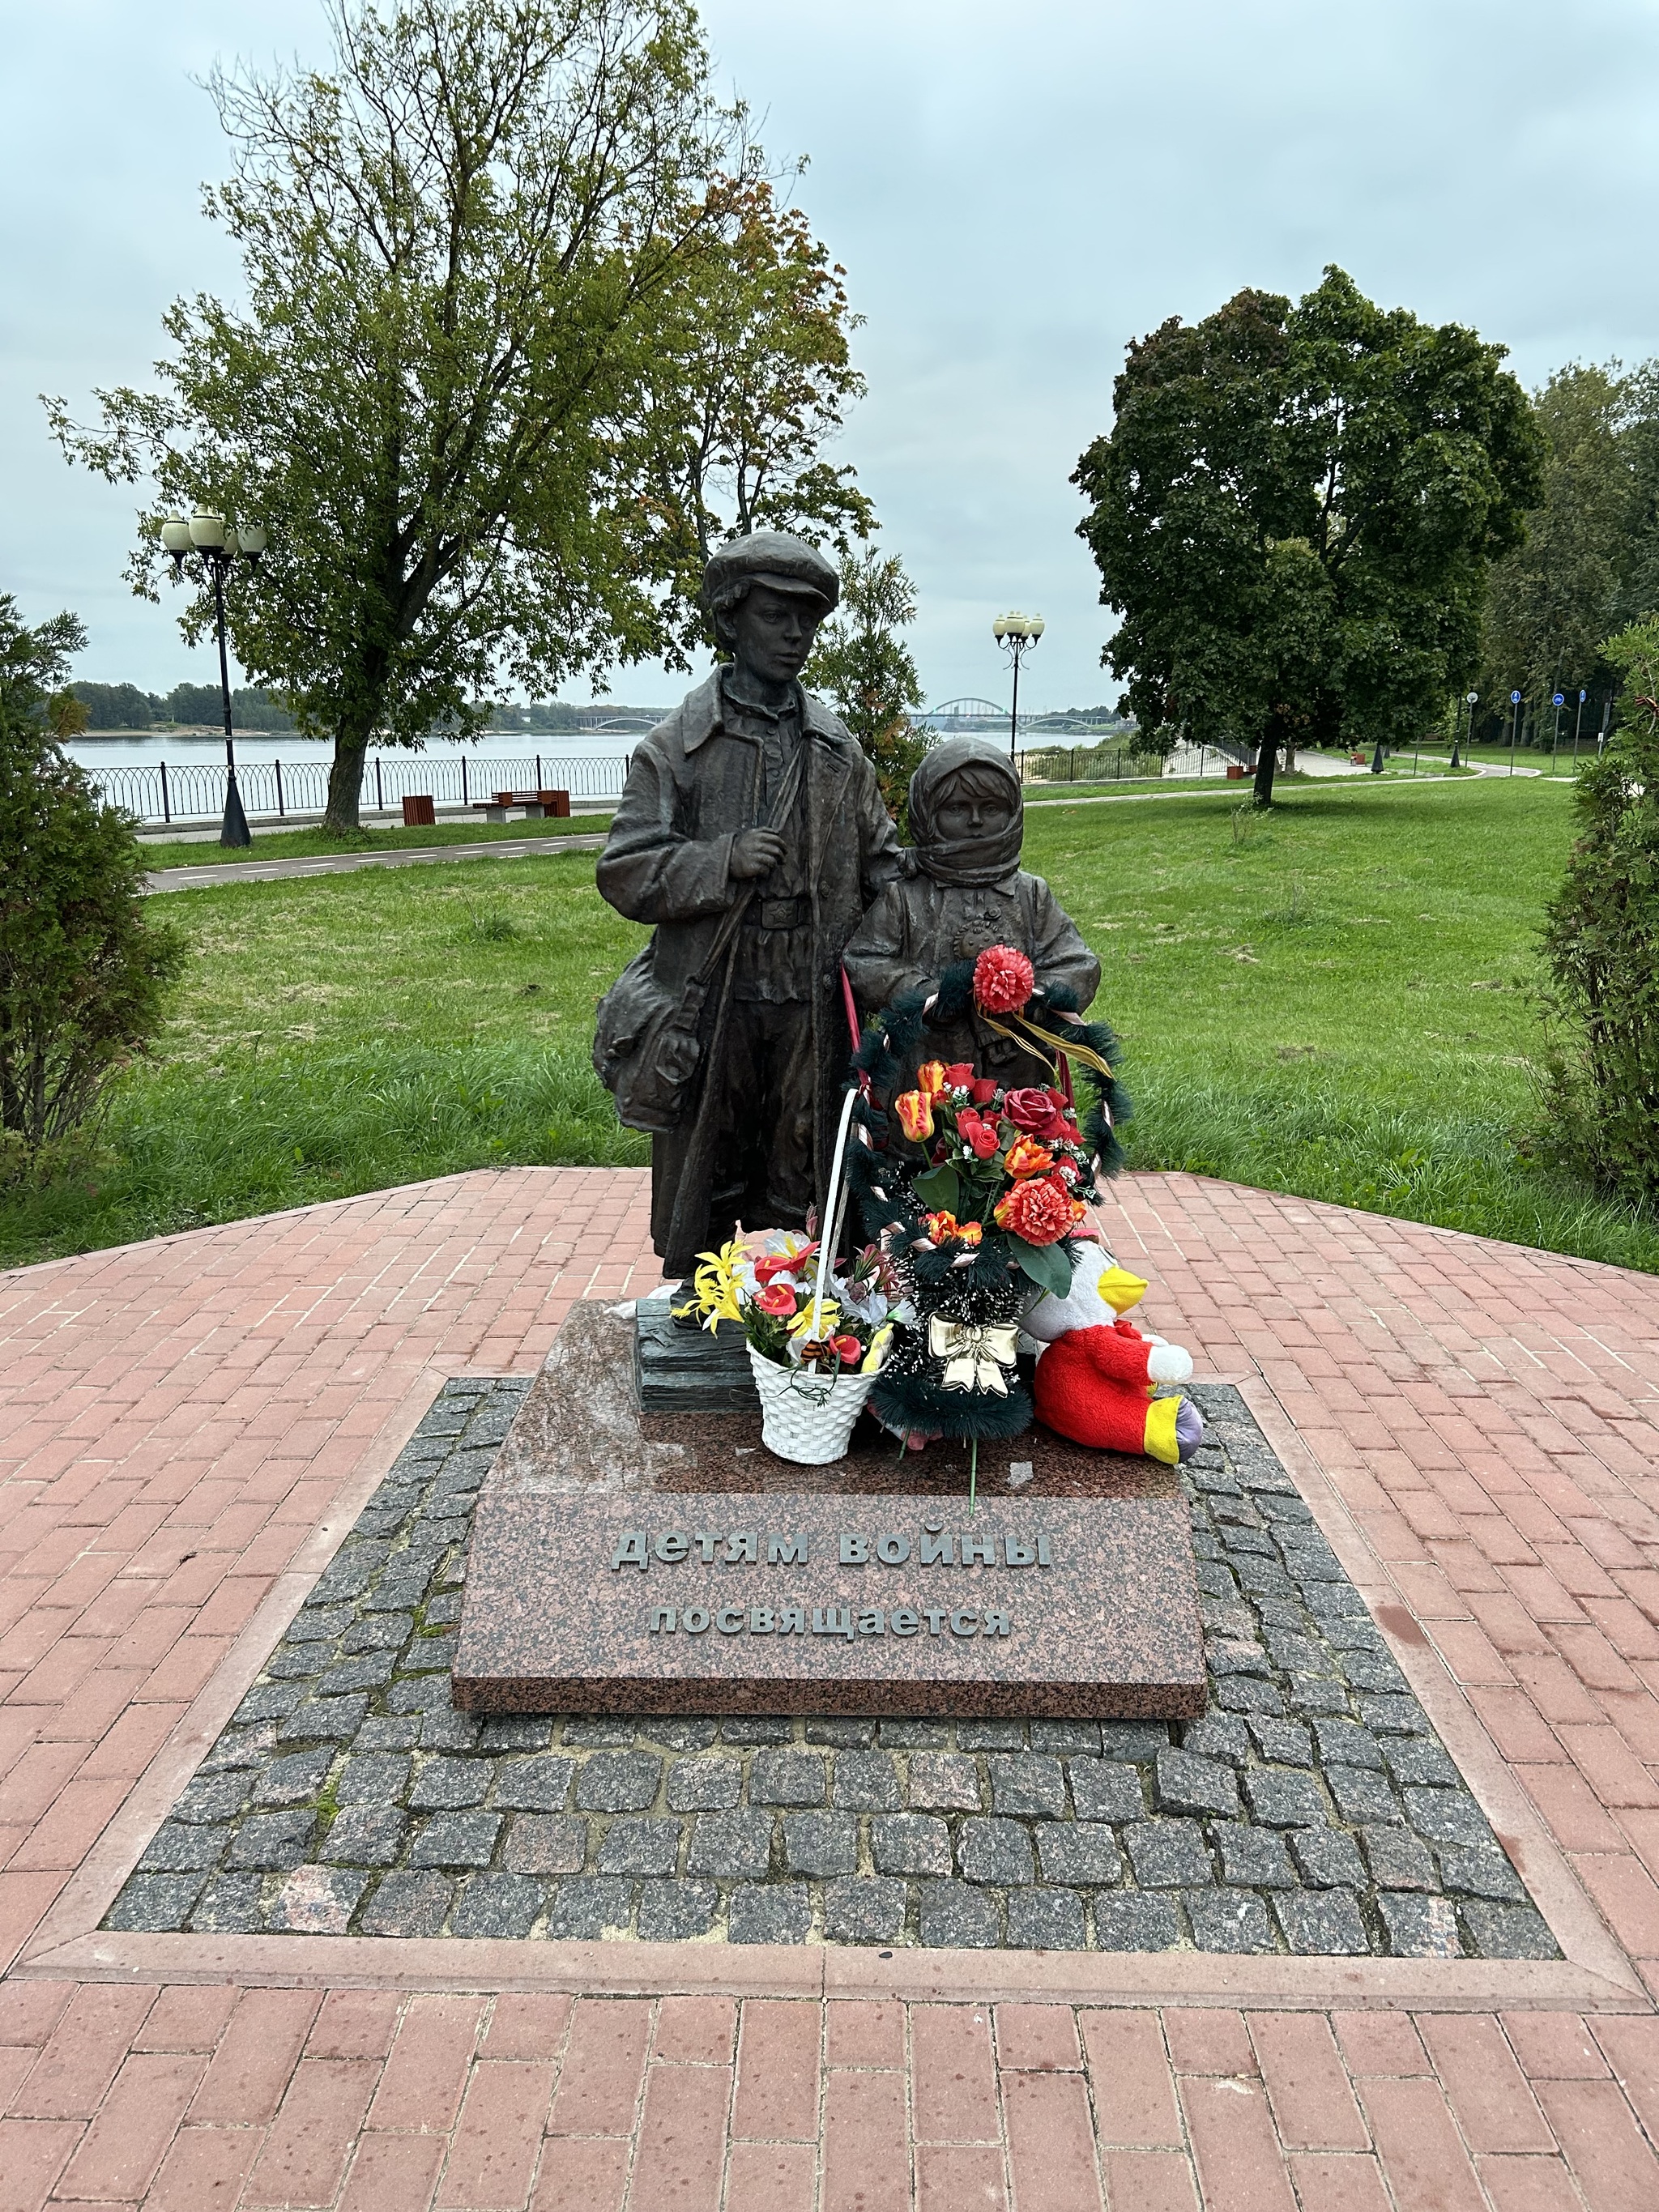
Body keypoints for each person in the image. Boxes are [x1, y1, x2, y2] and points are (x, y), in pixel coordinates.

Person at [594, 531, 900, 1281]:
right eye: (775, 615)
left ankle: (803, 1308)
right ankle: (697, 1308)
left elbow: (886, 869)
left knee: (804, 1159)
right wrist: (720, 859)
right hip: (715, 992)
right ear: (731, 620)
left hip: (812, 993)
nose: (795, 635)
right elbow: (624, 870)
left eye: (807, 620)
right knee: (711, 1163)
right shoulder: (677, 747)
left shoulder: (837, 751)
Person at [842, 736, 1100, 1093]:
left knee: (1014, 1126)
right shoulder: (905, 896)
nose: (975, 821)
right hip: (925, 1069)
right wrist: (927, 995)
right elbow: (864, 960)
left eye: (991, 808)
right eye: (957, 809)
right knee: (926, 1126)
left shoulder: (1030, 894)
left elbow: (1078, 965)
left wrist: (1029, 997)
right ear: (928, 815)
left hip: (1018, 1070)